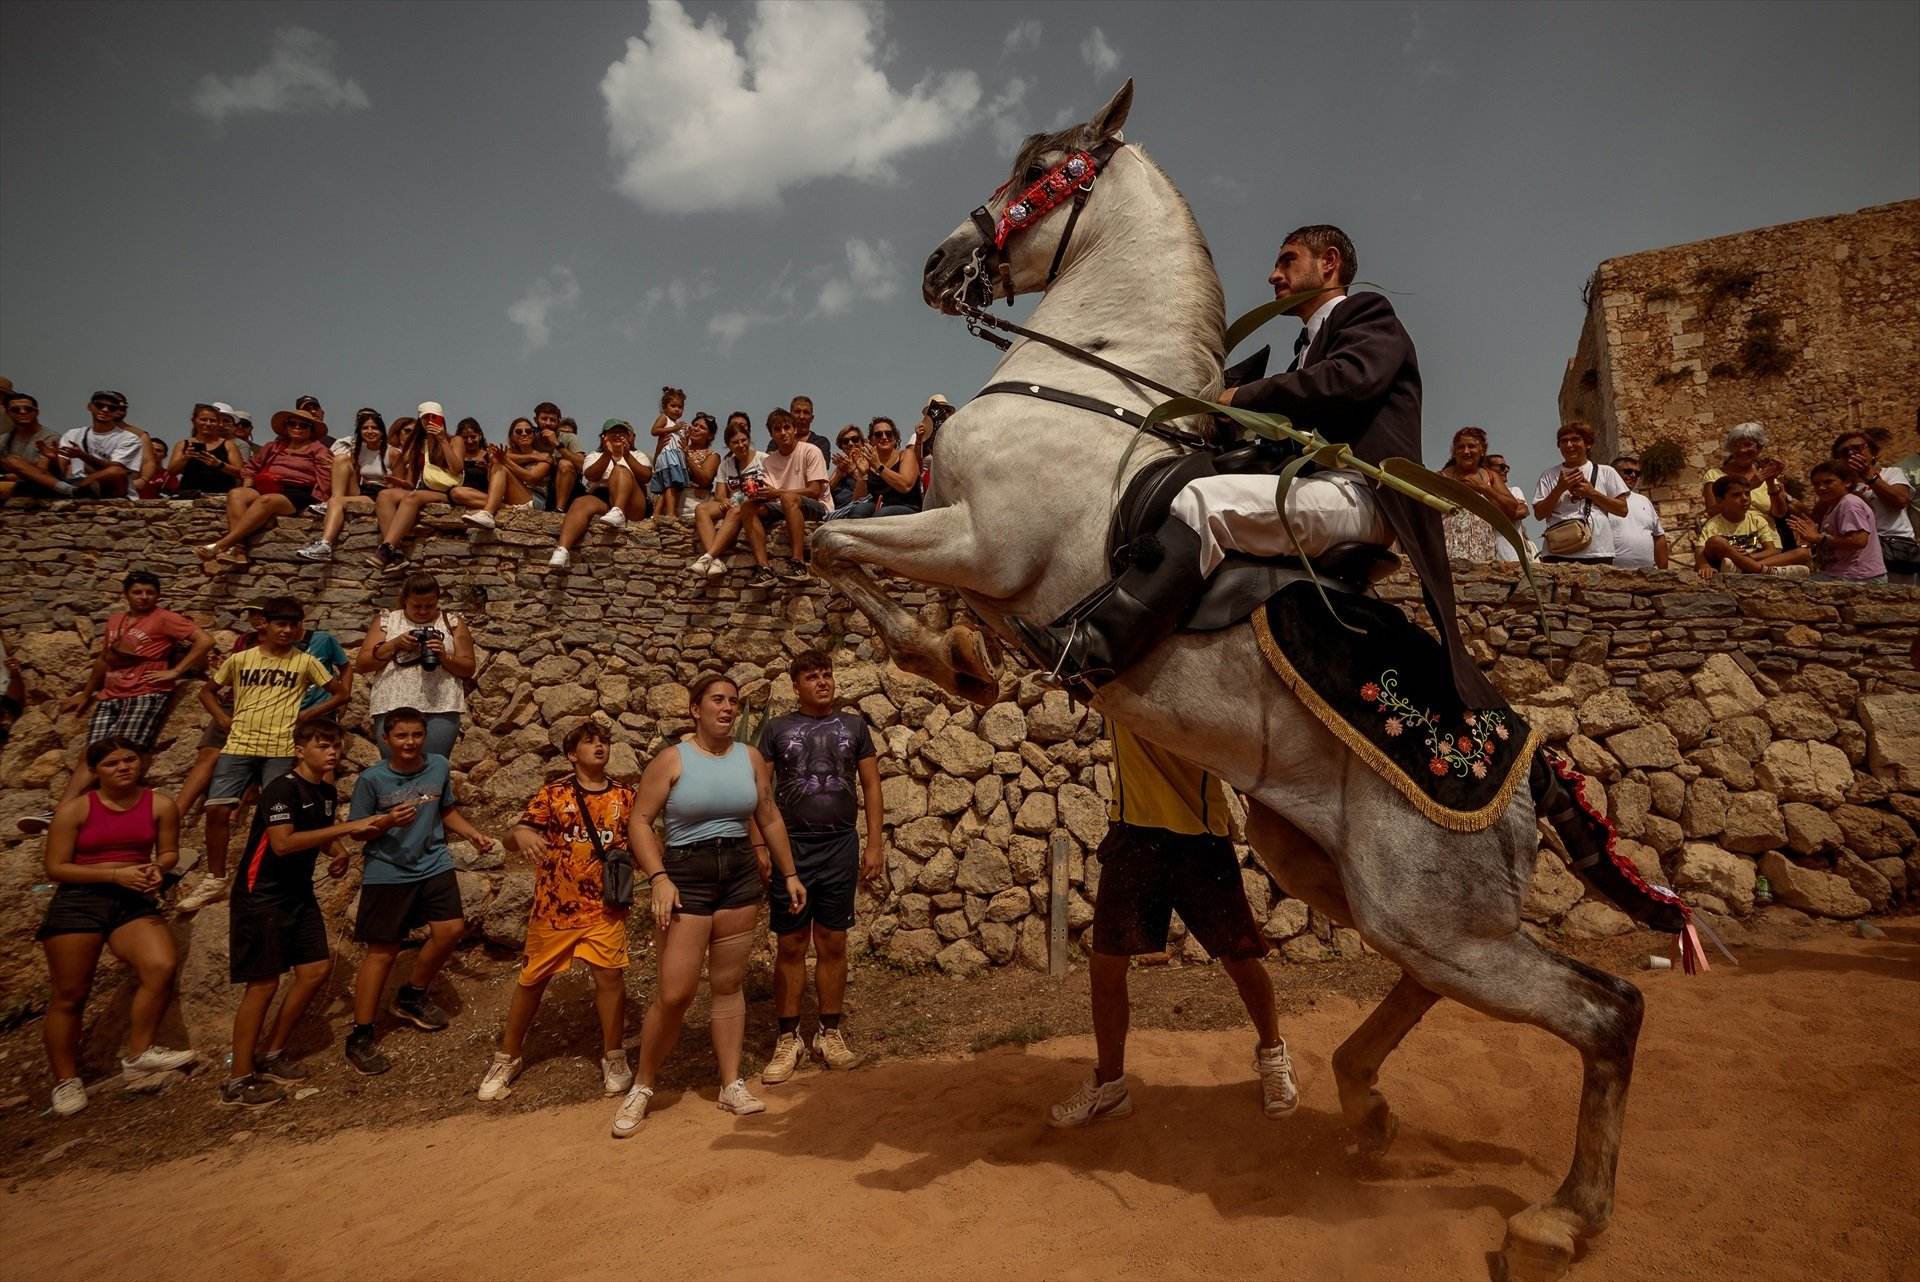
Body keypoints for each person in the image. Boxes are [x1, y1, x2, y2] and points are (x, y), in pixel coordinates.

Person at [1024, 225, 1498, 707]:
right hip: (1324, 492)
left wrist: (1241, 397)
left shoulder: (1367, 314)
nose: (1273, 275)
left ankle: (1093, 651)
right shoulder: (1303, 350)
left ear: (1329, 263)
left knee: (1206, 503)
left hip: (1363, 495)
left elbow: (1350, 379)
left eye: (1288, 260)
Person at [1050, 724, 1297, 1128]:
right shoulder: (1110, 688)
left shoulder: (1195, 688)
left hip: (1198, 835)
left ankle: (1273, 1055)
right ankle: (1111, 1087)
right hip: (1133, 833)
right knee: (1106, 966)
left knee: (1239, 957)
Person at [609, 674, 807, 1137]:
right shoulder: (672, 759)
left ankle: (731, 1084)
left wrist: (790, 873)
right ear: (695, 709)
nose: (727, 708)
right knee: (675, 993)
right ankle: (643, 1085)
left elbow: (768, 816)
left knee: (728, 984)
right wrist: (659, 878)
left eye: (733, 701)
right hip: (686, 875)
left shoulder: (749, 757)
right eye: (717, 700)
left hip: (738, 872)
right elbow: (640, 822)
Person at [223, 720, 402, 1107]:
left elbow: (318, 832)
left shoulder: (324, 791)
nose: (332, 752)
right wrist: (351, 827)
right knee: (263, 983)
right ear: (299, 750)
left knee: (315, 970)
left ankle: (272, 1052)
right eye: (323, 746)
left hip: (297, 892)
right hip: (261, 895)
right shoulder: (281, 788)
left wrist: (338, 852)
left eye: (336, 746)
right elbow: (283, 843)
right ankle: (238, 1079)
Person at [37, 738, 197, 1117]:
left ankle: (139, 1054)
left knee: (160, 965)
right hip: (80, 901)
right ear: (95, 771)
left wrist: (158, 868)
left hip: (132, 898)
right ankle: (66, 1080)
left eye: (129, 760)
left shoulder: (160, 804)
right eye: (111, 763)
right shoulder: (75, 810)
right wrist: (113, 874)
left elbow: (169, 852)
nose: (123, 767)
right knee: (70, 993)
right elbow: (55, 867)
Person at [479, 721, 637, 1103]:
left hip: (604, 908)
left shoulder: (626, 796)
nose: (599, 747)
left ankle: (613, 1055)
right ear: (571, 754)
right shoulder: (553, 795)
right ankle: (508, 1056)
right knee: (532, 980)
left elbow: (642, 839)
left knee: (610, 978)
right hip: (555, 908)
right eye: (589, 742)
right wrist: (521, 833)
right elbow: (513, 838)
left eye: (604, 741)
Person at [344, 706, 495, 1075]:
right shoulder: (371, 780)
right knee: (383, 952)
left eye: (416, 735)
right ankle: (361, 1034)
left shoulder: (438, 766)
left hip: (433, 862)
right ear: (386, 739)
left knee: (451, 930)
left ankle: (411, 994)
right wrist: (386, 821)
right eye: (401, 736)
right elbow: (357, 831)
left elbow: (445, 810)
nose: (409, 742)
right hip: (388, 871)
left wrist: (472, 834)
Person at [755, 650, 884, 1083]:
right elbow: (760, 792)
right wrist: (760, 844)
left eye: (826, 674)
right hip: (791, 847)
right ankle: (787, 1037)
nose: (822, 682)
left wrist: (875, 843)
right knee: (791, 943)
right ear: (796, 686)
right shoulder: (776, 729)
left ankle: (830, 1032)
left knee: (833, 941)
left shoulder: (854, 726)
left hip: (839, 845)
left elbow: (871, 784)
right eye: (812, 677)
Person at [179, 598, 344, 913]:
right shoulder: (241, 659)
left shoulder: (305, 661)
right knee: (217, 810)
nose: (287, 630)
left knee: (276, 817)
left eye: (293, 625)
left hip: (280, 747)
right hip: (239, 744)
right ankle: (215, 878)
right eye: (280, 624)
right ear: (265, 625)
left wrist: (307, 715)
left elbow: (340, 693)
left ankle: (265, 878)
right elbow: (207, 691)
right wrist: (222, 718)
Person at [43, 572, 214, 815]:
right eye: (137, 592)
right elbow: (105, 658)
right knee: (92, 754)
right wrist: (86, 693)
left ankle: (104, 811)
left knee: (120, 754)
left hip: (145, 692)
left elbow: (205, 640)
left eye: (150, 592)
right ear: (126, 594)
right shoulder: (116, 620)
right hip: (112, 693)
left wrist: (175, 671)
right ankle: (64, 811)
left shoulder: (164, 618)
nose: (144, 597)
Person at [192, 407, 332, 571]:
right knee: (236, 494)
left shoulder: (318, 450)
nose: (297, 428)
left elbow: (325, 476)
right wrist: (248, 487)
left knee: (266, 501)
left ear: (311, 430)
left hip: (298, 492)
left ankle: (222, 545)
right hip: (267, 485)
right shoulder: (273, 447)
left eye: (303, 425)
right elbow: (251, 468)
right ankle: (238, 549)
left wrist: (322, 498)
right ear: (286, 427)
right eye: (293, 424)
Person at [357, 571, 474, 760]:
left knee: (435, 766)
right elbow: (362, 664)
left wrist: (443, 656)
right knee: (395, 766)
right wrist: (394, 645)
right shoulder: (387, 621)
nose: (423, 611)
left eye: (430, 606)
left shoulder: (451, 622)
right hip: (392, 706)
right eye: (416, 606)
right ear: (405, 600)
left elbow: (468, 668)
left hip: (440, 707)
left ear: (438, 600)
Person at [368, 402, 464, 570]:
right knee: (385, 495)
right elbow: (411, 483)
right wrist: (399, 483)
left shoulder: (455, 440)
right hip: (423, 489)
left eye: (434, 417)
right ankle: (396, 553)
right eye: (425, 418)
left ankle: (387, 547)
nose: (429, 421)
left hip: (446, 491)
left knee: (413, 498)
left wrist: (442, 440)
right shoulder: (418, 445)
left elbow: (457, 468)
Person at [546, 419, 652, 571]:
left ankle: (618, 510)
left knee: (620, 470)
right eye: (613, 432)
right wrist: (607, 455)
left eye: (621, 433)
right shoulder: (594, 455)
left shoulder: (638, 455)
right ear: (604, 437)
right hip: (603, 496)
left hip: (632, 500)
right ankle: (562, 550)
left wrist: (626, 455)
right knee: (580, 503)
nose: (617, 435)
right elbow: (591, 475)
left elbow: (646, 476)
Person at [6, 391, 146, 498]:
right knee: (13, 460)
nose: (105, 410)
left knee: (116, 472)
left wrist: (82, 456)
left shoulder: (129, 438)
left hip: (103, 486)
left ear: (116, 412)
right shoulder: (73, 434)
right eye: (100, 405)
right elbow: (59, 471)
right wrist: (53, 459)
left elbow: (116, 470)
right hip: (75, 483)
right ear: (90, 407)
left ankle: (73, 489)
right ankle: (69, 490)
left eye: (111, 408)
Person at [744, 406, 826, 587]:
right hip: (783, 505)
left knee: (788, 498)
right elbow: (769, 493)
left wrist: (778, 493)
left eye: (787, 427)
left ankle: (798, 563)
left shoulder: (811, 451)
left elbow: (815, 491)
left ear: (795, 429)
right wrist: (756, 493)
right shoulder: (768, 461)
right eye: (777, 429)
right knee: (747, 506)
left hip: (816, 506)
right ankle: (764, 568)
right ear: (771, 434)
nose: (783, 433)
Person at [1530, 422, 1631, 564]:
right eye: (1564, 441)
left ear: (1588, 444)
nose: (1569, 445)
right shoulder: (1549, 475)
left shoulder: (1606, 472)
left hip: (1597, 550)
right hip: (1558, 550)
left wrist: (1592, 493)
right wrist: (1559, 488)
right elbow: (1539, 514)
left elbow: (1622, 509)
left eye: (1575, 440)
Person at [298, 409, 391, 561]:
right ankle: (333, 501)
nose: (370, 431)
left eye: (374, 428)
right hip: (363, 489)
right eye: (365, 428)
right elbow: (354, 474)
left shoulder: (392, 452)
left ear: (382, 431)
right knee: (341, 459)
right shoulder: (358, 450)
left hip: (380, 493)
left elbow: (402, 483)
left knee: (336, 502)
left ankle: (325, 544)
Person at [1832, 430, 1916, 583]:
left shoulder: (1892, 474)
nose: (1851, 453)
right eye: (1844, 452)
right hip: (1860, 553)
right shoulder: (1840, 486)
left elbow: (1900, 501)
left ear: (1872, 453)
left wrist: (1869, 476)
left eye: (1857, 448)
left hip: (1894, 549)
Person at [689, 413, 765, 579]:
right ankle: (715, 562)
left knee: (736, 510)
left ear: (749, 439)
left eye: (743, 440)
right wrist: (725, 501)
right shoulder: (726, 464)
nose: (741, 445)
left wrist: (735, 501)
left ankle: (709, 556)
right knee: (702, 509)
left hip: (755, 504)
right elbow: (719, 494)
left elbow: (766, 489)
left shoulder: (763, 459)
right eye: (735, 442)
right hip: (733, 503)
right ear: (728, 446)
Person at [1438, 426, 1527, 561]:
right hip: (1446, 552)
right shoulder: (1440, 477)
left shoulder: (1490, 477)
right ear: (1454, 451)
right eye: (1461, 447)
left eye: (1471, 446)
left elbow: (1512, 507)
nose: (1466, 451)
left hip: (1482, 554)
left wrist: (1483, 488)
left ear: (1482, 451)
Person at [1790, 460, 1887, 583]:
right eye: (1816, 484)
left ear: (1847, 482)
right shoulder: (1835, 506)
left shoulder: (1850, 503)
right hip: (1842, 573)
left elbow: (1859, 540)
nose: (1821, 488)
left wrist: (1818, 538)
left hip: (1858, 576)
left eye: (1828, 482)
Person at [1696, 475, 1808, 577]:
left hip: (1747, 561)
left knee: (1803, 553)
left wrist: (1748, 559)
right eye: (1736, 495)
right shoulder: (1713, 525)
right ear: (1720, 500)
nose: (1744, 498)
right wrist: (1704, 565)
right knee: (1716, 541)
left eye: (1747, 493)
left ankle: (1744, 569)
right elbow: (1700, 550)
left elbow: (1771, 550)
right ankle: (1768, 571)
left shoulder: (1757, 520)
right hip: (1727, 561)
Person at [459, 416, 552, 529]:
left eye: (528, 431)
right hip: (508, 499)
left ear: (533, 434)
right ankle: (507, 507)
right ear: (512, 436)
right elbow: (495, 476)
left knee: (501, 467)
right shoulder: (506, 454)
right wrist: (490, 466)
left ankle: (488, 513)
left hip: (533, 500)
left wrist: (505, 461)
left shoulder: (544, 456)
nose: (524, 434)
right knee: (458, 493)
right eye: (519, 431)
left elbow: (531, 477)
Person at [827, 415, 922, 519]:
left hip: (906, 506)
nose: (884, 437)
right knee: (858, 511)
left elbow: (905, 486)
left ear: (895, 438)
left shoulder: (906, 455)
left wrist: (879, 466)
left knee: (880, 515)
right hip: (878, 505)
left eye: (888, 434)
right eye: (878, 434)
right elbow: (857, 500)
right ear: (871, 440)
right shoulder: (867, 461)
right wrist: (863, 475)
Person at [1701, 422, 1787, 526]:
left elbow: (1779, 513)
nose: (1741, 450)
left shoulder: (1764, 474)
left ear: (1759, 448)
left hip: (1766, 534)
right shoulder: (1715, 475)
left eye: (1748, 445)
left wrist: (1771, 483)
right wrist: (1749, 486)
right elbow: (1711, 512)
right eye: (1736, 445)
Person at [168, 403, 246, 498]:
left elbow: (240, 473)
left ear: (218, 423)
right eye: (203, 420)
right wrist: (185, 457)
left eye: (212, 421)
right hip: (189, 495)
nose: (208, 424)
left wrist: (219, 464)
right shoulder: (182, 444)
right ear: (194, 421)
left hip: (220, 495)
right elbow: (171, 471)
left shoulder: (228, 445)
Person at [1609, 453, 1670, 570]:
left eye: (1637, 473)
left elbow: (1658, 536)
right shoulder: (1602, 501)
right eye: (1628, 471)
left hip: (1647, 573)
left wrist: (1663, 571)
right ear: (1613, 473)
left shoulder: (1644, 501)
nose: (1633, 475)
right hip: (1613, 573)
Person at [1, 389, 64, 499]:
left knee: (13, 461)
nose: (22, 412)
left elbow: (41, 472)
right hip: (15, 485)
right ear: (8, 413)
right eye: (15, 410)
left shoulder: (50, 438)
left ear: (37, 412)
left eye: (28, 409)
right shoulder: (4, 439)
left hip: (41, 488)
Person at [647, 386, 691, 520]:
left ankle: (656, 514)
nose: (677, 409)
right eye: (673, 406)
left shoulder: (677, 424)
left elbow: (681, 442)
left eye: (680, 407)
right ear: (665, 407)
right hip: (668, 457)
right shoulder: (664, 418)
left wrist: (686, 435)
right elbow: (654, 431)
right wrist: (673, 429)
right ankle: (671, 513)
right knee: (671, 485)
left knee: (667, 487)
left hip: (676, 458)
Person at [1485, 454, 1533, 563]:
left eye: (1507, 467)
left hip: (1513, 556)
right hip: (1489, 555)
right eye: (1502, 467)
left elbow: (1522, 512)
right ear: (1488, 470)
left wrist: (1493, 509)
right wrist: (1513, 505)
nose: (1506, 470)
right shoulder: (1481, 493)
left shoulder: (1514, 491)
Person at [679, 412, 722, 518]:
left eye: (702, 427)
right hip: (673, 501)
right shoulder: (678, 448)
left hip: (694, 505)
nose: (696, 429)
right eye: (695, 425)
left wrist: (687, 458)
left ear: (710, 436)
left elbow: (704, 480)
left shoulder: (712, 455)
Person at [788, 394, 834, 463]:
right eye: (797, 412)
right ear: (790, 416)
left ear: (812, 418)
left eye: (806, 412)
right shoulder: (777, 442)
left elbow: (821, 466)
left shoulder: (821, 443)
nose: (801, 416)